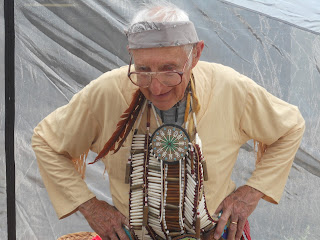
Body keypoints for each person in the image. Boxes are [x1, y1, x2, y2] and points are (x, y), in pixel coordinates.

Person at [32, 2, 305, 240]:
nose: (157, 86)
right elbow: (46, 141)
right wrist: (91, 207)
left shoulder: (230, 87)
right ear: (131, 55)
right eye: (143, 70)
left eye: (169, 70)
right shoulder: (106, 92)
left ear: (195, 55)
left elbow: (290, 126)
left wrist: (251, 192)